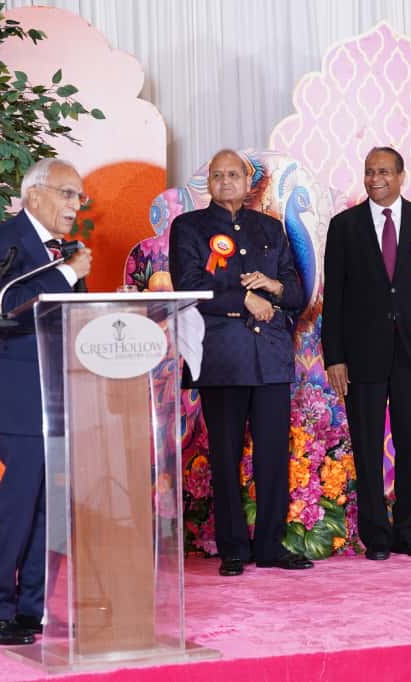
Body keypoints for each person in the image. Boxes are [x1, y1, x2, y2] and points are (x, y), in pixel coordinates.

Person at [0, 158, 93, 645]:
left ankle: (31, 610)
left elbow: (71, 316)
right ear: (35, 195)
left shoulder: (69, 251)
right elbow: (7, 306)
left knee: (48, 502)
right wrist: (68, 276)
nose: (75, 204)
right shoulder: (1, 241)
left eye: (79, 196)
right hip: (16, 391)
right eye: (67, 193)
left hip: (59, 389)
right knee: (21, 498)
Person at [170, 149, 312, 576]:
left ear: (249, 183)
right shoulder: (188, 227)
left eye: (234, 174)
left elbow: (296, 292)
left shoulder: (270, 227)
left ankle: (270, 546)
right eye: (218, 175)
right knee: (225, 454)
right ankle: (233, 548)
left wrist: (273, 286)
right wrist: (244, 298)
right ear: (208, 183)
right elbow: (189, 284)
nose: (226, 181)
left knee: (273, 456)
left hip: (270, 357)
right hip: (222, 356)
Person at [322, 147, 411, 560]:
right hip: (363, 355)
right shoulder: (344, 226)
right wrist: (334, 356)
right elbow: (334, 298)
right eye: (369, 172)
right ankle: (376, 537)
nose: (375, 179)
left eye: (383, 172)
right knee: (367, 446)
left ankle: (409, 533)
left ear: (401, 176)